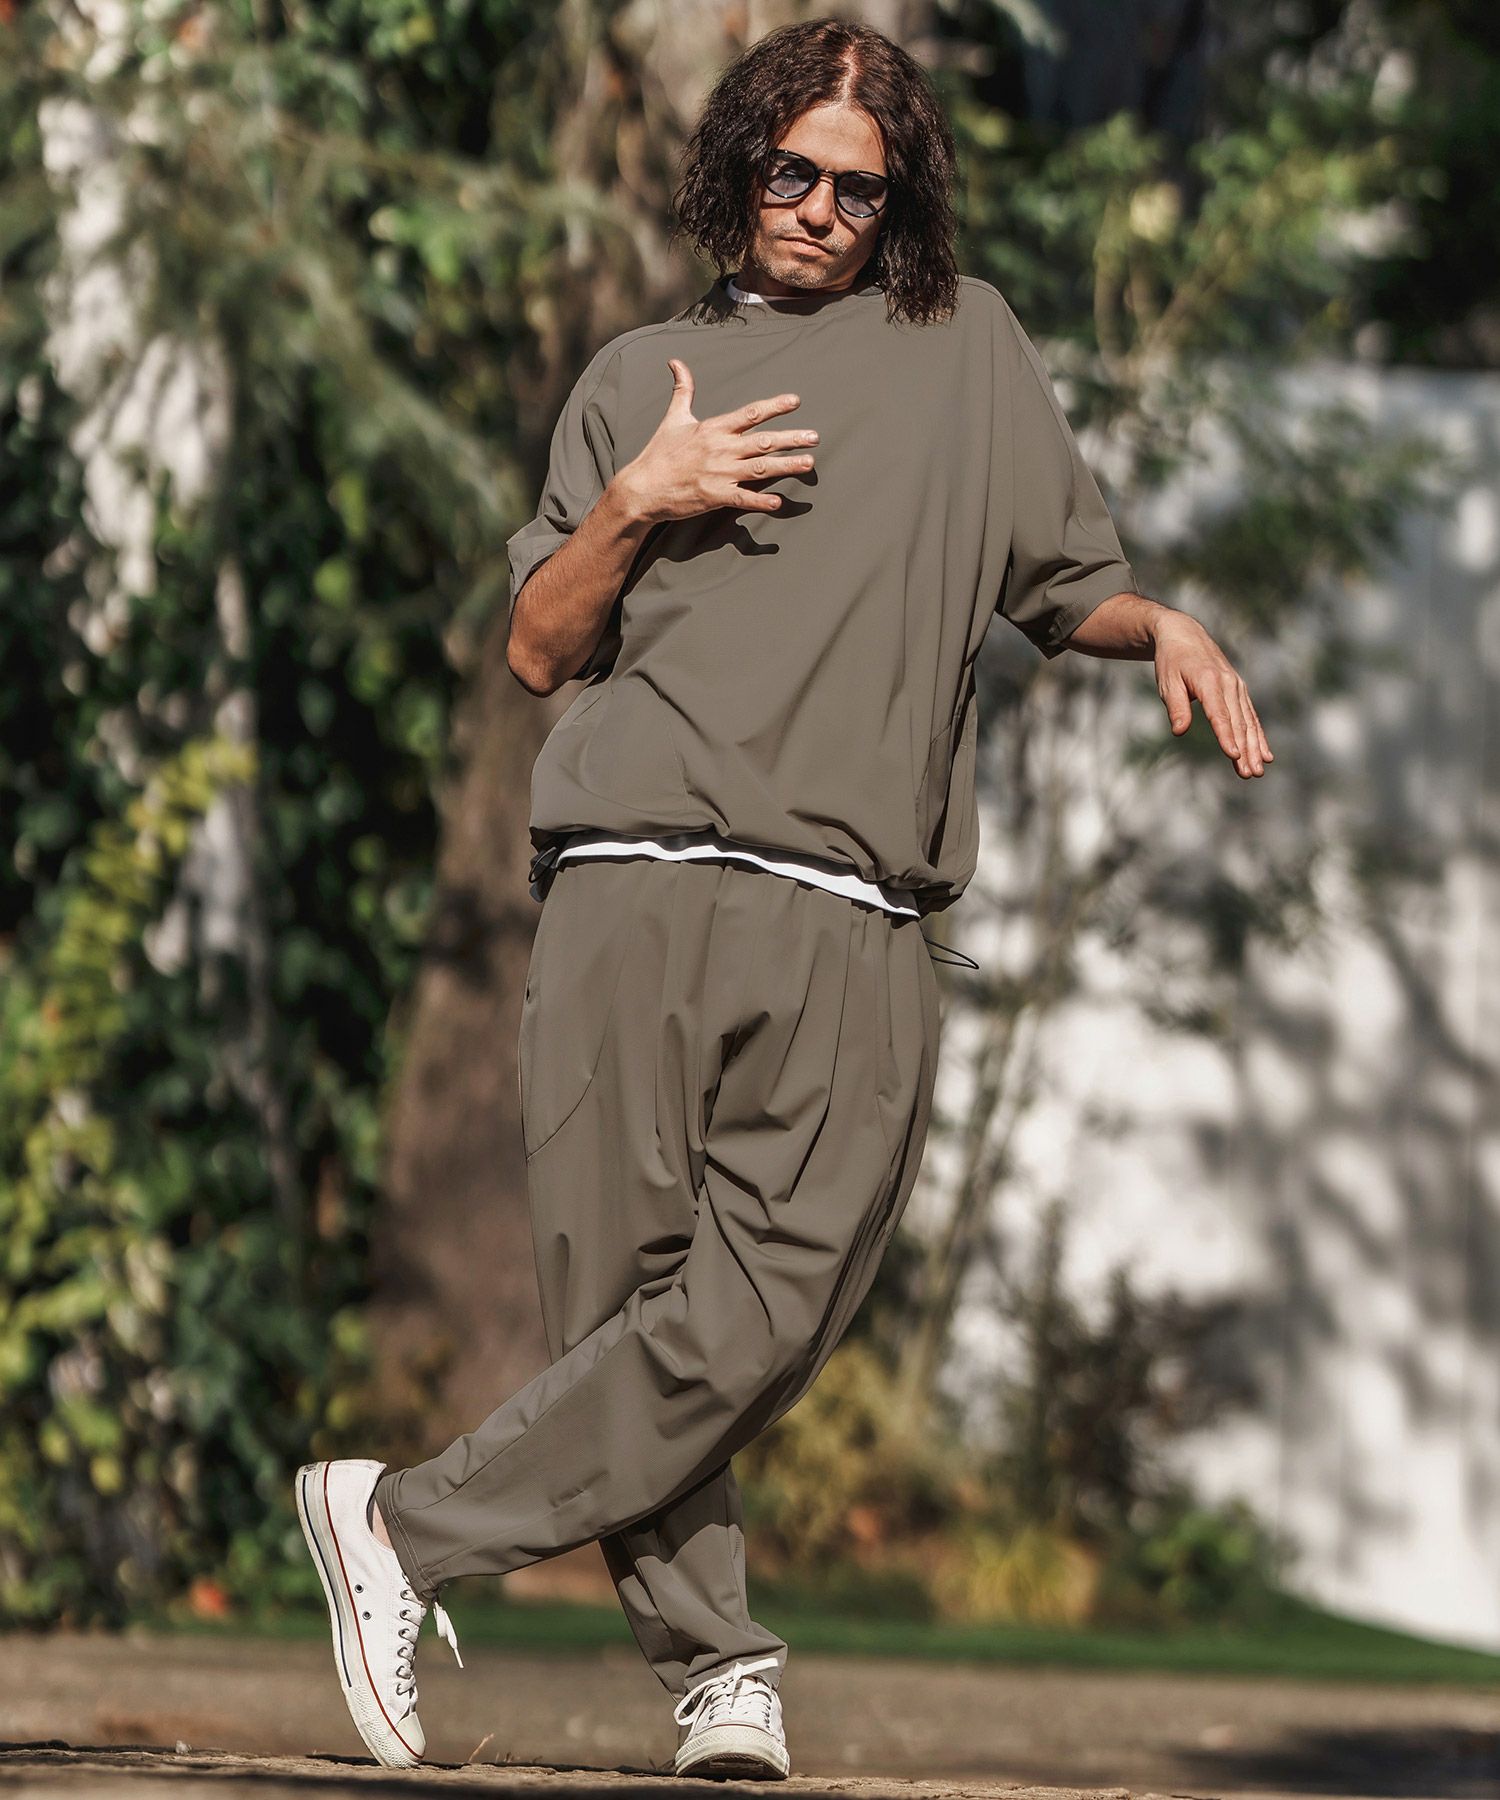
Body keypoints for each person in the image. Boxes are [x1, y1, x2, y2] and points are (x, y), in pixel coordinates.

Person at [294, 16, 1273, 1780]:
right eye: (789, 170)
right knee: (629, 1312)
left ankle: (400, 1526)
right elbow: (538, 648)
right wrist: (639, 501)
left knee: (767, 1311)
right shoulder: (638, 377)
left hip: (857, 906)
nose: (818, 207)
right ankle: (718, 1672)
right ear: (737, 160)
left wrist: (1168, 626)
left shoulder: (966, 350)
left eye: (857, 187)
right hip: (636, 883)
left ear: (902, 203)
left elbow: (1070, 589)